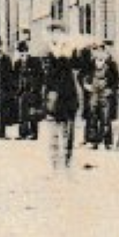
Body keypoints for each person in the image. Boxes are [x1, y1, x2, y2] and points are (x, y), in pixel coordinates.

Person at [38, 25, 84, 171]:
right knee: (54, 131)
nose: (58, 37)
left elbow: (79, 66)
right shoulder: (47, 54)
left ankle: (67, 159)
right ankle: (55, 161)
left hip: (69, 96)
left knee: (68, 131)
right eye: (55, 34)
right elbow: (48, 73)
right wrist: (59, 54)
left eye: (60, 34)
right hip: (54, 97)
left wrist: (73, 51)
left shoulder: (71, 52)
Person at [83, 42, 119, 149]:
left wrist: (111, 90)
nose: (99, 53)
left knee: (106, 117)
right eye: (97, 50)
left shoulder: (111, 65)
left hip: (105, 93)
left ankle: (107, 142)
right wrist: (86, 84)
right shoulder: (90, 64)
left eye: (101, 50)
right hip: (94, 92)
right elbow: (83, 75)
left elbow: (117, 79)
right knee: (92, 116)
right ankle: (93, 141)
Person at [13, 36, 42, 140]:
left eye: (24, 52)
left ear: (27, 52)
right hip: (22, 91)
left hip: (33, 91)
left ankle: (34, 134)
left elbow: (40, 76)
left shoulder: (35, 61)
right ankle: (23, 133)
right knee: (22, 113)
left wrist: (36, 88)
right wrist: (16, 89)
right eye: (21, 53)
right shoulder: (17, 64)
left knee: (32, 112)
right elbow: (15, 77)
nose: (22, 55)